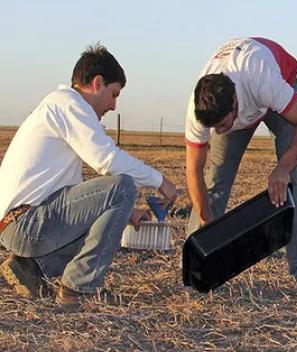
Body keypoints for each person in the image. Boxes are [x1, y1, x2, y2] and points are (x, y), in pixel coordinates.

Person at [0, 44, 178, 309]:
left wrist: (126, 213)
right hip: (27, 223)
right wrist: (159, 181)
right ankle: (79, 289)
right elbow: (106, 159)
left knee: (118, 196)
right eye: (113, 94)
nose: (113, 105)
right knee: (122, 186)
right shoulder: (68, 104)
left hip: (22, 223)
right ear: (97, 83)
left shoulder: (60, 107)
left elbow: (74, 193)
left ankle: (33, 269)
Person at [184, 37, 297, 295]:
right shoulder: (198, 109)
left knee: (292, 177)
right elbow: (194, 172)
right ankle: (196, 272)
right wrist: (206, 221)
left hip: (277, 81)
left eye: (223, 125)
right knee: (214, 178)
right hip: (244, 95)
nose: (220, 131)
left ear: (235, 102)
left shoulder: (263, 80)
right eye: (214, 128)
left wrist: (282, 167)